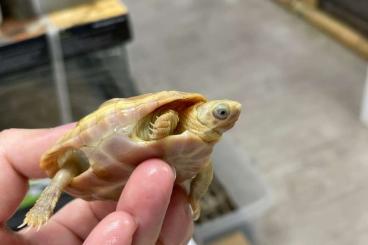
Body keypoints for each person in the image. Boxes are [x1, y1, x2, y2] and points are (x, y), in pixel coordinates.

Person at [0, 125, 193, 245]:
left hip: (122, 185)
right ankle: (43, 204)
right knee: (66, 171)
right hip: (91, 158)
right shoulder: (169, 117)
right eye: (221, 113)